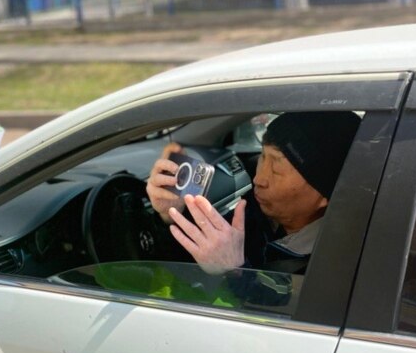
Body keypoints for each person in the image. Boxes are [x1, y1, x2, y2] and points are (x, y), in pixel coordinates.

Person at [146, 111, 361, 275]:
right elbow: (186, 265)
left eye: (276, 168)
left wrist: (234, 272)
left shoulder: (338, 267)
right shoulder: (255, 210)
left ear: (324, 196)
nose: (259, 179)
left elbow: (274, 328)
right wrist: (171, 214)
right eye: (263, 157)